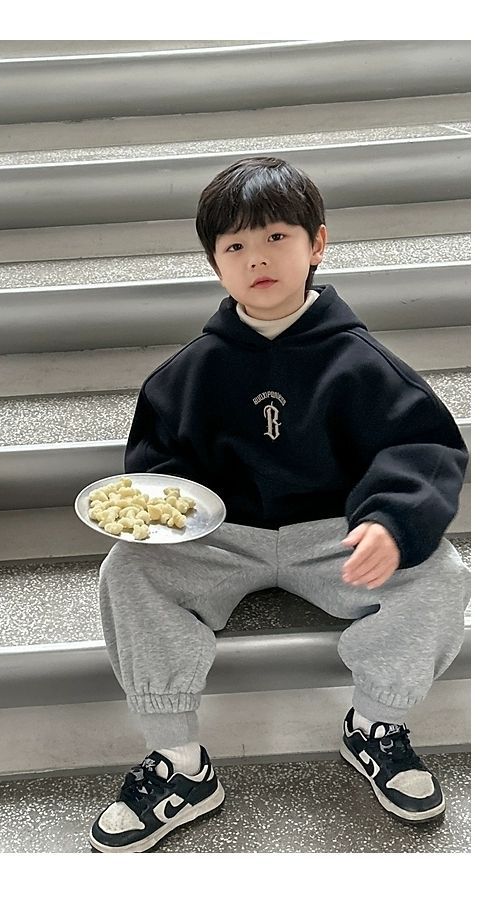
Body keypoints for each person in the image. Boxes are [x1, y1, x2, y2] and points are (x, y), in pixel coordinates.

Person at [88, 156, 470, 853]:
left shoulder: (362, 362)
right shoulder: (189, 372)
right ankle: (179, 762)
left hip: (332, 537)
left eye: (275, 237)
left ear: (316, 243)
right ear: (214, 264)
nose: (257, 258)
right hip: (222, 537)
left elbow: (421, 447)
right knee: (128, 571)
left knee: (441, 574)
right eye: (235, 245)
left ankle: (375, 724)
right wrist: (163, 512)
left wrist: (390, 520)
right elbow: (158, 469)